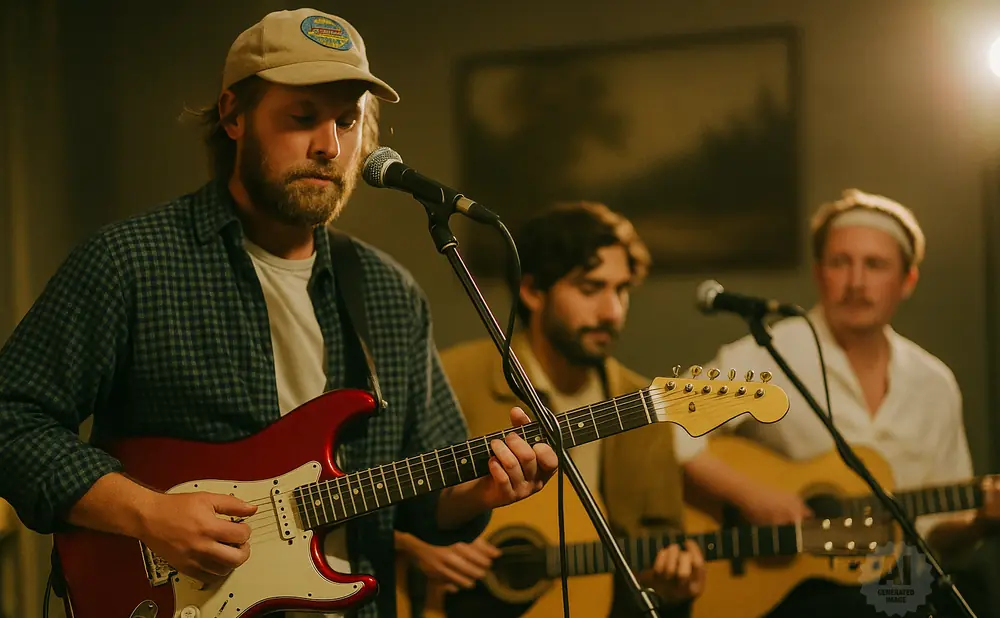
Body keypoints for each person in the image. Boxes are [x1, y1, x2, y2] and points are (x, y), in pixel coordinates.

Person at [0, 9, 558, 618]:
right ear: (234, 115)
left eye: (348, 120)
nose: (331, 146)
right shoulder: (131, 262)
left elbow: (424, 503)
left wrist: (480, 491)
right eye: (302, 118)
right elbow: (11, 419)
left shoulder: (388, 292)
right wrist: (149, 513)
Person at [676, 188, 1000, 617]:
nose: (857, 282)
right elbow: (670, 418)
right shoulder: (769, 353)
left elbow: (935, 532)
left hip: (901, 591)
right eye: (840, 262)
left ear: (908, 280)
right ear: (818, 273)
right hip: (796, 594)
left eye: (875, 265)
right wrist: (751, 496)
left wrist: (980, 522)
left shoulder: (933, 383)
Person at [395, 202, 707, 617]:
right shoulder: (453, 378)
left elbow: (661, 544)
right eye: (590, 288)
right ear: (532, 291)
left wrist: (677, 584)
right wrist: (416, 549)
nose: (612, 312)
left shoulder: (645, 405)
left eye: (622, 290)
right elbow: (374, 498)